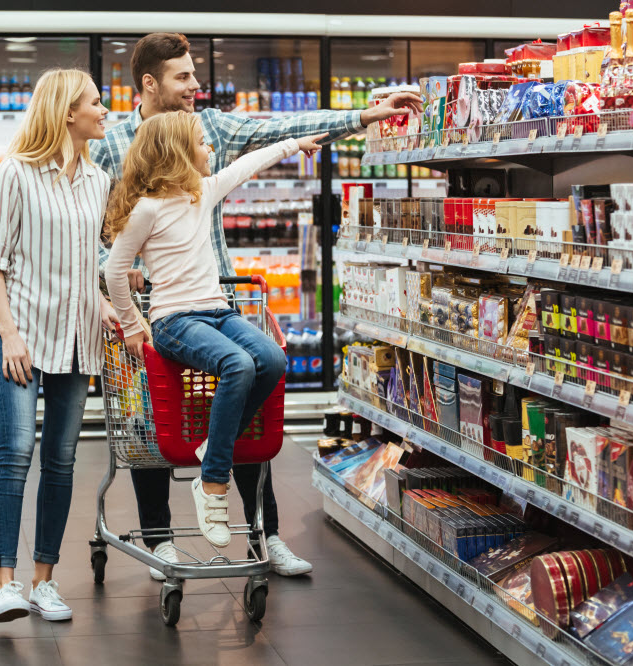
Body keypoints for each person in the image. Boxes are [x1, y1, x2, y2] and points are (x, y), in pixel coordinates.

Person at [91, 32, 421, 578]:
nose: (196, 87)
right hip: (157, 309)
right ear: (149, 83)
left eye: (195, 76)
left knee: (247, 403)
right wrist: (118, 281)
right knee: (150, 426)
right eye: (183, 78)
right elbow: (98, 224)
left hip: (218, 294)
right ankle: (161, 540)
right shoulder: (113, 142)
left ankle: (264, 535)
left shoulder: (212, 128)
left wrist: (363, 116)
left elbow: (277, 131)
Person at [105, 111, 324, 546]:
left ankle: (212, 446)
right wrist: (132, 324)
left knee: (273, 358)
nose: (210, 150)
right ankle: (213, 482)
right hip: (173, 319)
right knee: (239, 365)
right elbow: (115, 272)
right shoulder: (146, 209)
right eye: (202, 143)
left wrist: (295, 145)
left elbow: (249, 165)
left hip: (218, 311)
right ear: (178, 153)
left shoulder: (201, 193)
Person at [0, 68, 119, 624]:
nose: (104, 111)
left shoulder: (99, 180)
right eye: (95, 103)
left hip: (78, 334)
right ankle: (3, 583)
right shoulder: (15, 172)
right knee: (15, 452)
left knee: (61, 460)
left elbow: (89, 260)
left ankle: (45, 581)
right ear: (66, 112)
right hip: (22, 332)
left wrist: (103, 301)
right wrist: (8, 333)